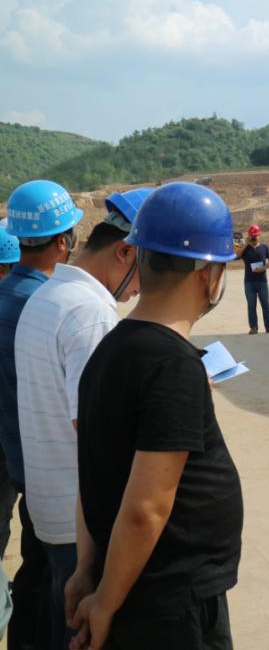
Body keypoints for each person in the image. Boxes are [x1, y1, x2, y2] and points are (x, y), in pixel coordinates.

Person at [69, 181, 243, 650]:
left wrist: (87, 569)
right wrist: (105, 602)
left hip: (127, 581)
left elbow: (90, 474)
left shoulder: (109, 348)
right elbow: (147, 508)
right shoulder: (174, 365)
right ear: (209, 274)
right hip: (169, 600)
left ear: (140, 258)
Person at [15, 188, 152, 650]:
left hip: (50, 505)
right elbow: (95, 428)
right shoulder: (91, 313)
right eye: (147, 269)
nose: (141, 288)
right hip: (82, 521)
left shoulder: (48, 295)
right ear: (124, 251)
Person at [0, 179, 83, 650]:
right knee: (55, 578)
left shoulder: (7, 295)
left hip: (16, 459)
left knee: (33, 571)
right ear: (64, 241)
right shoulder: (47, 304)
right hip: (45, 468)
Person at [240, 225, 269, 335]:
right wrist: (245, 244)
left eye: (255, 236)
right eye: (251, 236)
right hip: (249, 282)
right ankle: (253, 327)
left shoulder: (264, 247)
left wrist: (264, 268)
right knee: (251, 306)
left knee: (266, 305)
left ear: (259, 235)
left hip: (262, 281)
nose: (253, 238)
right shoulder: (246, 249)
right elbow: (236, 255)